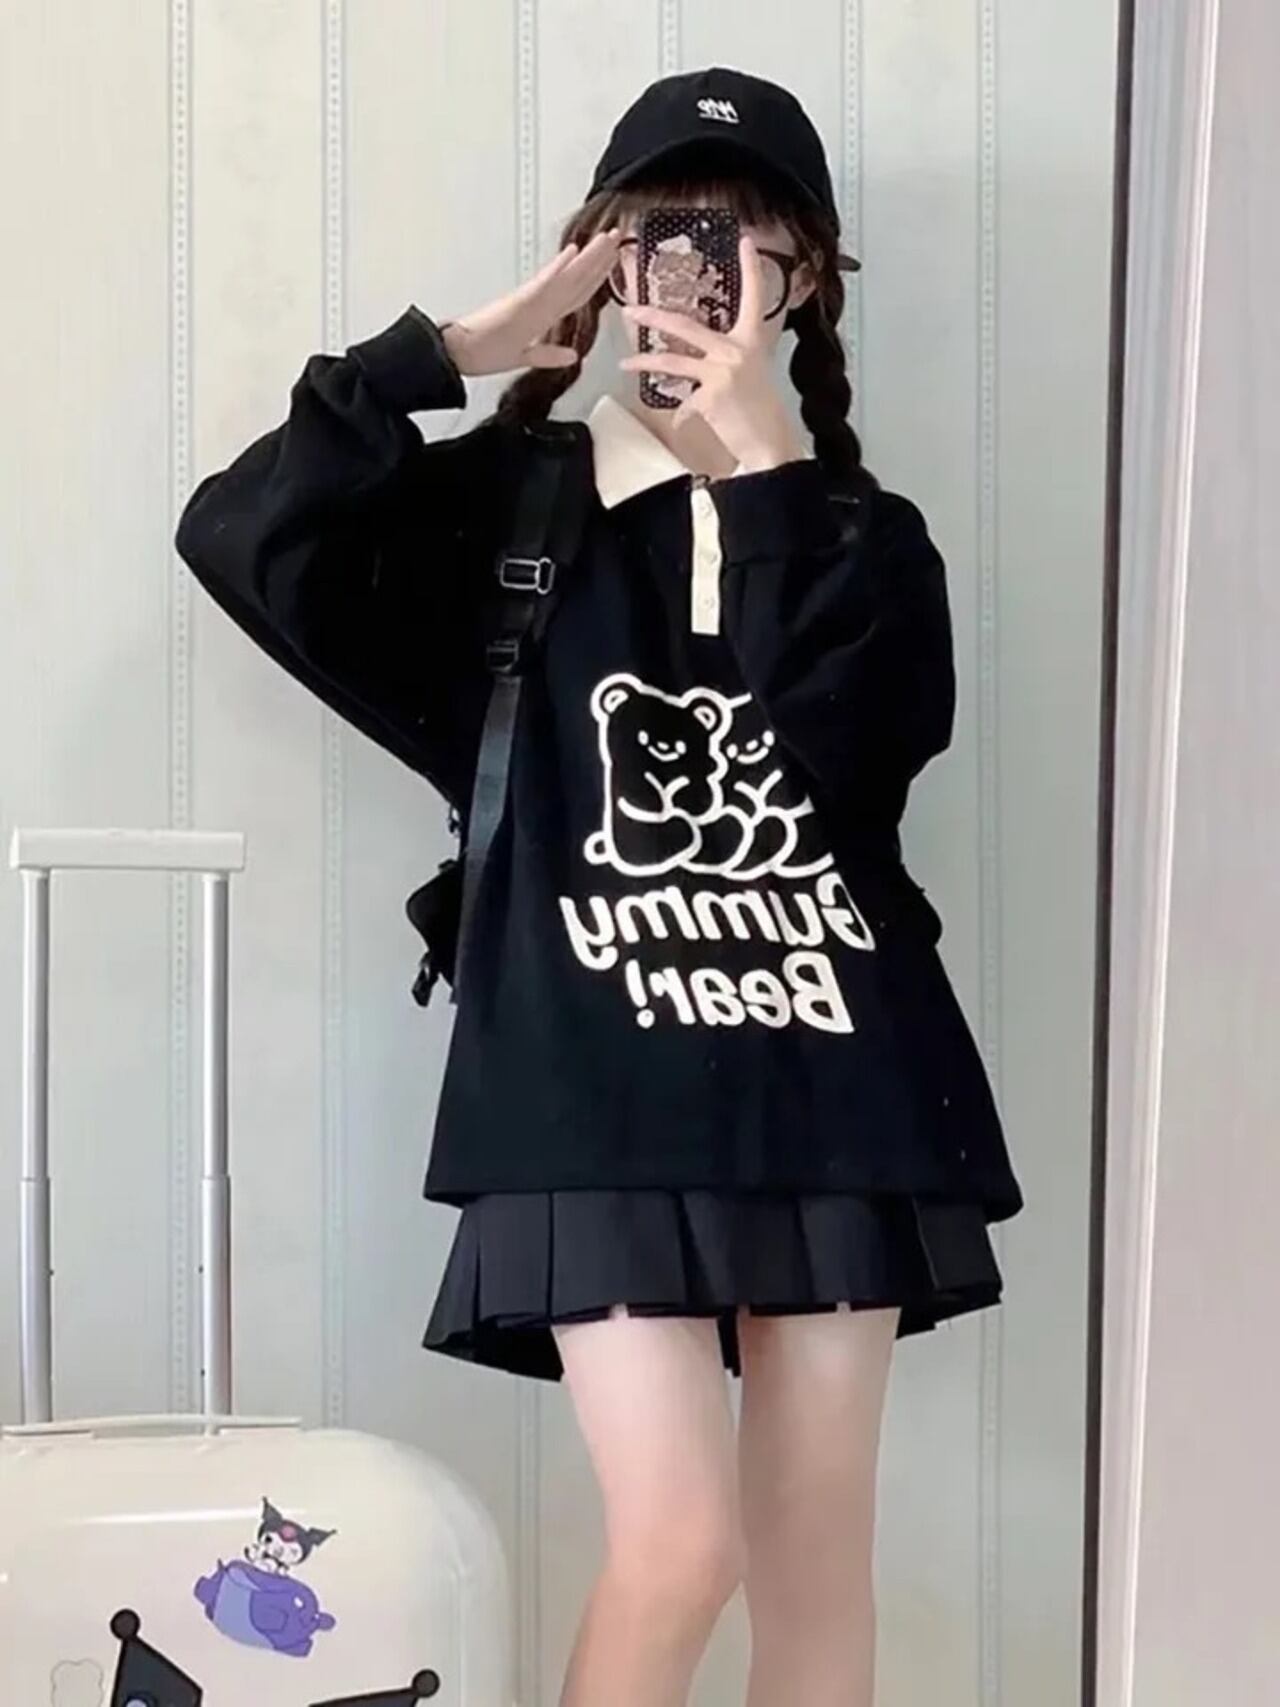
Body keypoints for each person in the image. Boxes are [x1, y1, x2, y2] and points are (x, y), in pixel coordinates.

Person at [176, 62, 1022, 1707]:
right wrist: (452, 356)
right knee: (680, 1545)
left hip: (834, 1081)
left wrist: (767, 481)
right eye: (659, 234)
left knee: (816, 1570)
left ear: (803, 279)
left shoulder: (863, 536)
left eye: (740, 238)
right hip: (584, 1086)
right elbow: (242, 537)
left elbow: (851, 769)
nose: (697, 271)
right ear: (604, 261)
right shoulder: (508, 512)